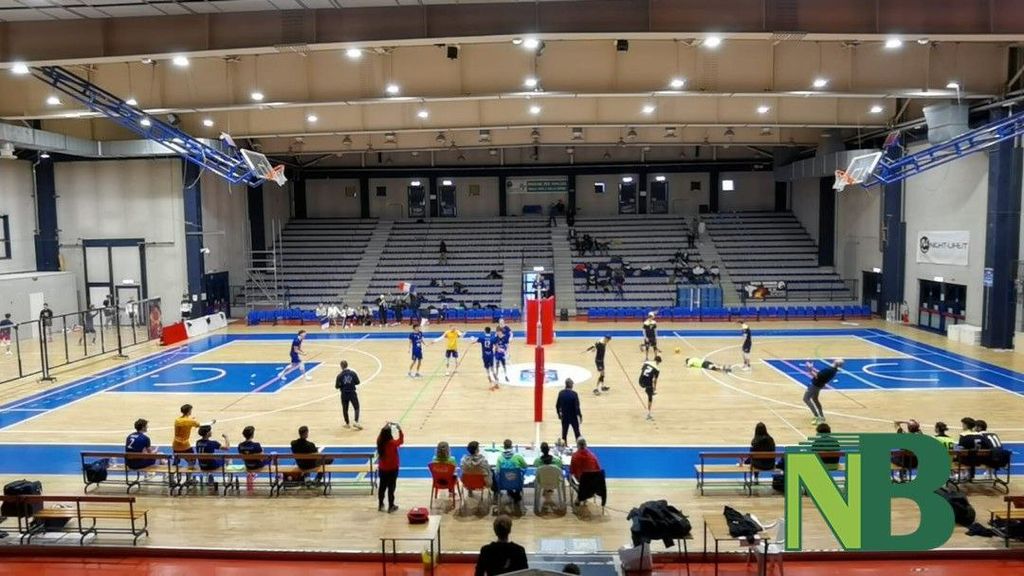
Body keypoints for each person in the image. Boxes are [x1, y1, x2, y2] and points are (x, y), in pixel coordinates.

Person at [803, 359, 843, 425]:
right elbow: (819, 374)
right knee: (815, 399)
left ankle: (816, 416)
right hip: (819, 385)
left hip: (815, 385)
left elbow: (816, 376)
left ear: (834, 362)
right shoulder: (833, 370)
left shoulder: (829, 370)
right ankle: (822, 416)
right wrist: (812, 368)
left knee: (806, 399)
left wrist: (809, 369)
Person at [376, 422, 404, 512]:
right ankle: (391, 506)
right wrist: (400, 430)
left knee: (382, 487)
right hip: (392, 469)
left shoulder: (379, 441)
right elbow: (401, 441)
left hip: (382, 468)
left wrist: (386, 426)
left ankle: (380, 504)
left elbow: (382, 433)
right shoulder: (392, 443)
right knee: (391, 488)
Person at [496, 439, 527, 511]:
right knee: (516, 478)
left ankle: (511, 493)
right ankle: (516, 495)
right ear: (511, 446)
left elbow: (497, 471)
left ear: (504, 447)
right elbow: (525, 466)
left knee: (506, 478)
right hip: (517, 483)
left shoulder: (500, 458)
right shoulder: (518, 456)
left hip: (504, 484)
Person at [335, 360, 362, 430]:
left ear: (341, 366)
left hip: (344, 394)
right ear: (347, 365)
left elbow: (336, 386)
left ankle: (347, 423)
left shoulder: (339, 376)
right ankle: (356, 421)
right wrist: (351, 383)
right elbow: (358, 382)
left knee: (345, 409)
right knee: (356, 407)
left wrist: (342, 385)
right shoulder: (353, 373)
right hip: (352, 393)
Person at [555, 378, 582, 444]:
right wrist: (580, 416)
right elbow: (577, 407)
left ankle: (564, 447)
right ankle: (580, 447)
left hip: (564, 417)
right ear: (570, 385)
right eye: (572, 384)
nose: (573, 385)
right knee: (577, 433)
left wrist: (559, 414)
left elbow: (557, 405)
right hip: (573, 417)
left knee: (564, 434)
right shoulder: (574, 394)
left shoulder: (561, 393)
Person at [638, 356, 661, 421]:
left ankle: (648, 390)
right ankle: (648, 415)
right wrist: (654, 388)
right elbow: (655, 380)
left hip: (640, 380)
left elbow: (642, 370)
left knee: (648, 389)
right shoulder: (657, 369)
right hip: (648, 383)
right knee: (650, 397)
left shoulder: (647, 362)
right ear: (658, 362)